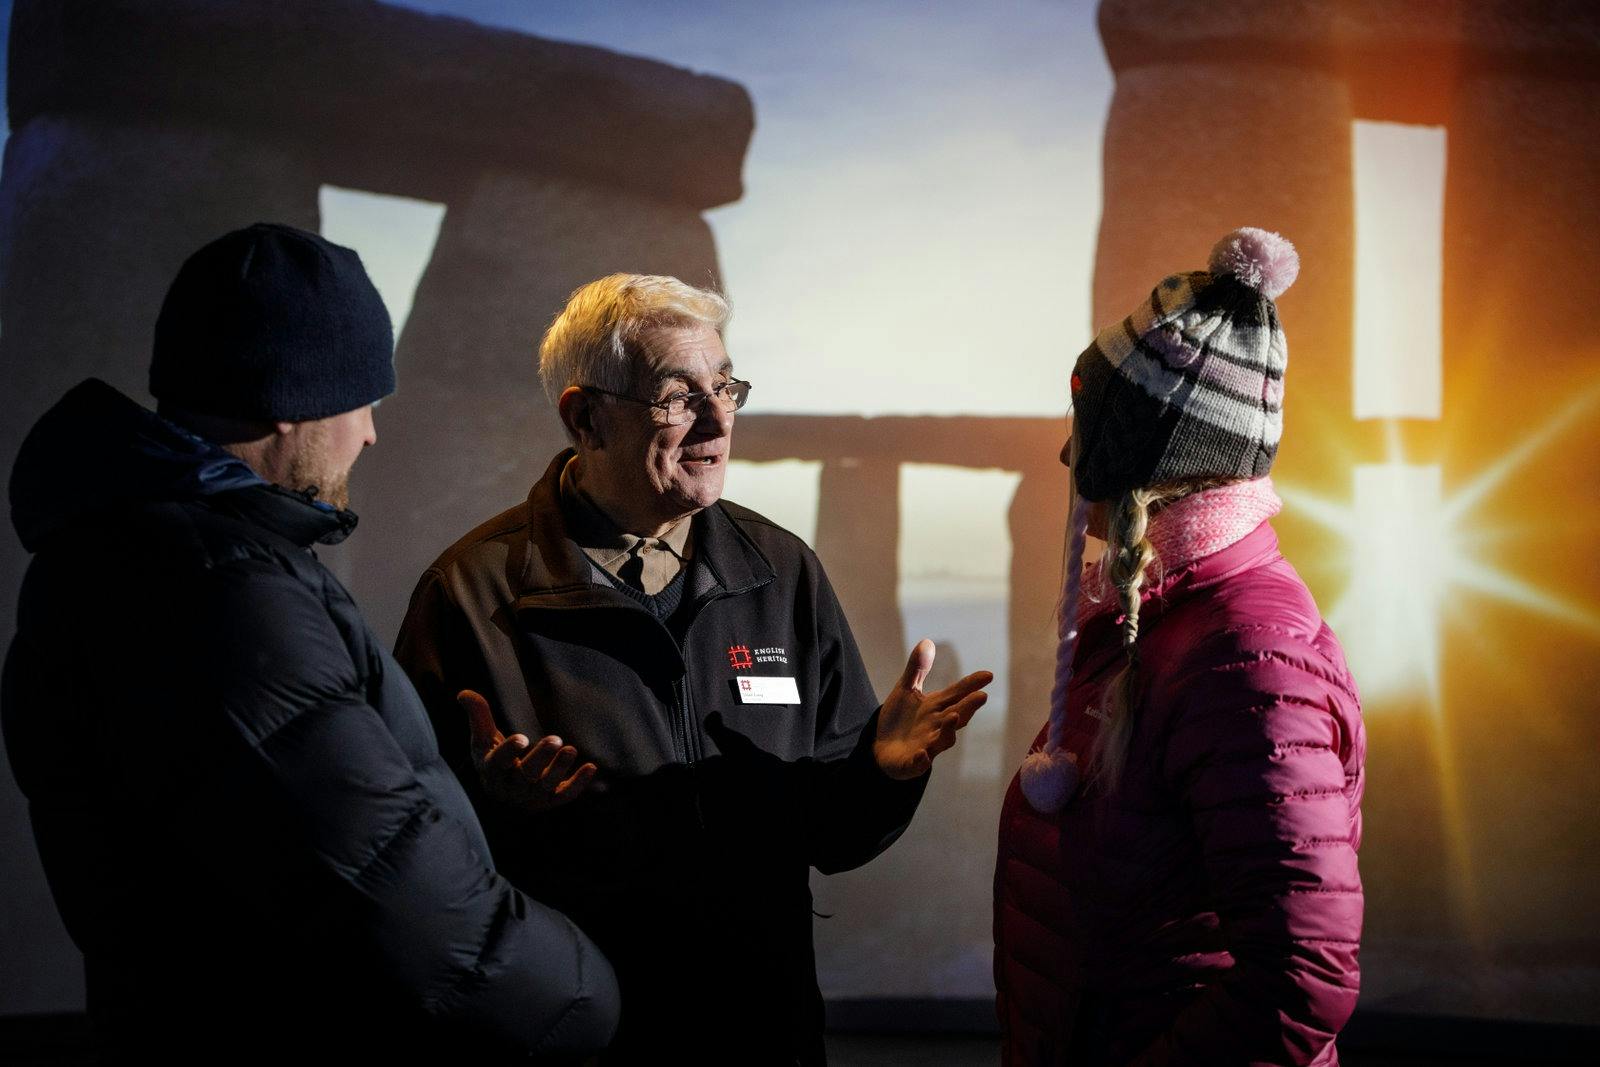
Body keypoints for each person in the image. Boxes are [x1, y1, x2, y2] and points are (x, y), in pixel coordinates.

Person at [2, 224, 620, 1063]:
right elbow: (407, 909)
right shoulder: (224, 590)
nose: (368, 433)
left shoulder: (125, 550)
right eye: (359, 400)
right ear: (290, 397)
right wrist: (587, 992)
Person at [394, 272, 991, 1063]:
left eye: (725, 387)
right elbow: (410, 861)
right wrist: (501, 812)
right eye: (679, 396)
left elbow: (831, 833)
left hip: (766, 1032)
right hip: (579, 1038)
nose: (717, 419)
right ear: (585, 418)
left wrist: (881, 772)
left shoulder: (780, 570)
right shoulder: (470, 595)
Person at [993, 228, 1365, 1065]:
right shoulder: (1159, 619)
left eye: (1085, 426)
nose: (1065, 453)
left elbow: (1300, 978)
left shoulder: (1247, 662)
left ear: (1143, 457)